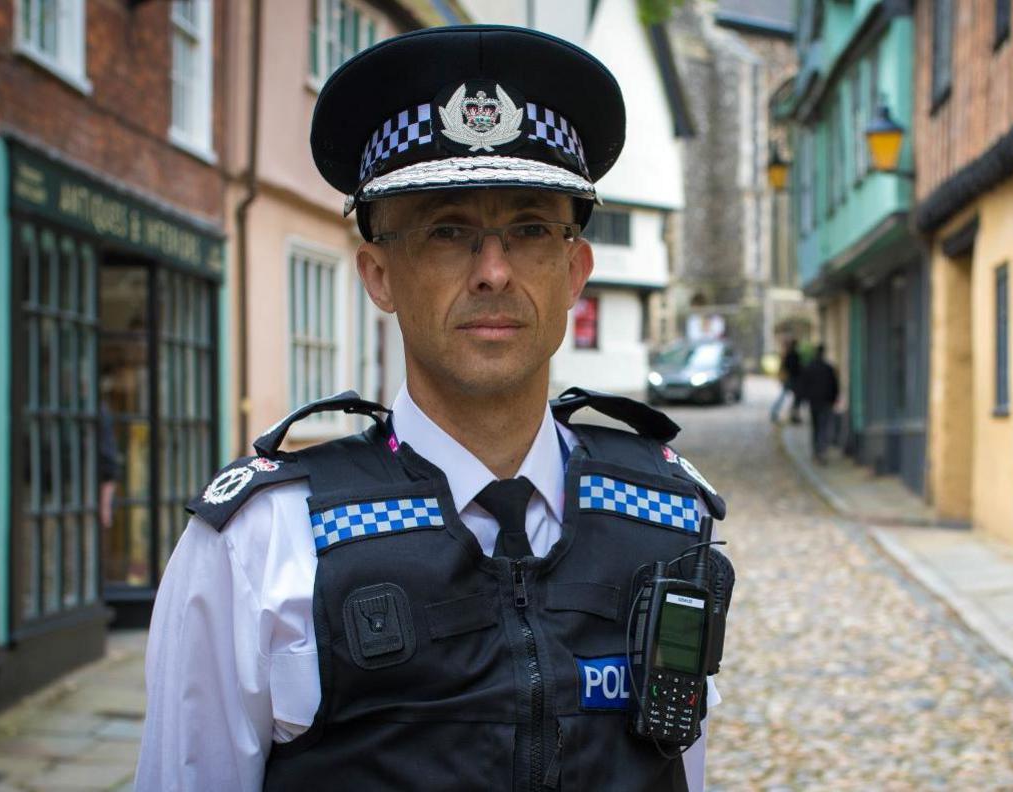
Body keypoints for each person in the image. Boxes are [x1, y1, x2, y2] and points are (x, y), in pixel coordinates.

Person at [134, 25, 731, 792]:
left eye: (528, 229)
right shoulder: (262, 545)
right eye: (448, 231)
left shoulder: (667, 523)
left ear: (574, 269)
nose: (492, 271)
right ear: (379, 274)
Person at [800, 344, 839, 464]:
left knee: (816, 427)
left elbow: (804, 385)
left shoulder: (810, 367)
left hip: (814, 402)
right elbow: (834, 385)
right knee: (823, 427)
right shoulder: (828, 368)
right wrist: (833, 399)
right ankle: (821, 451)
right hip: (825, 402)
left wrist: (805, 399)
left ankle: (817, 451)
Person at [769, 338, 803, 424]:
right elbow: (793, 368)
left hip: (791, 378)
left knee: (789, 397)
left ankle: (792, 415)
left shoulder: (789, 354)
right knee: (792, 397)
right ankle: (792, 415)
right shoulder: (792, 355)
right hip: (792, 379)